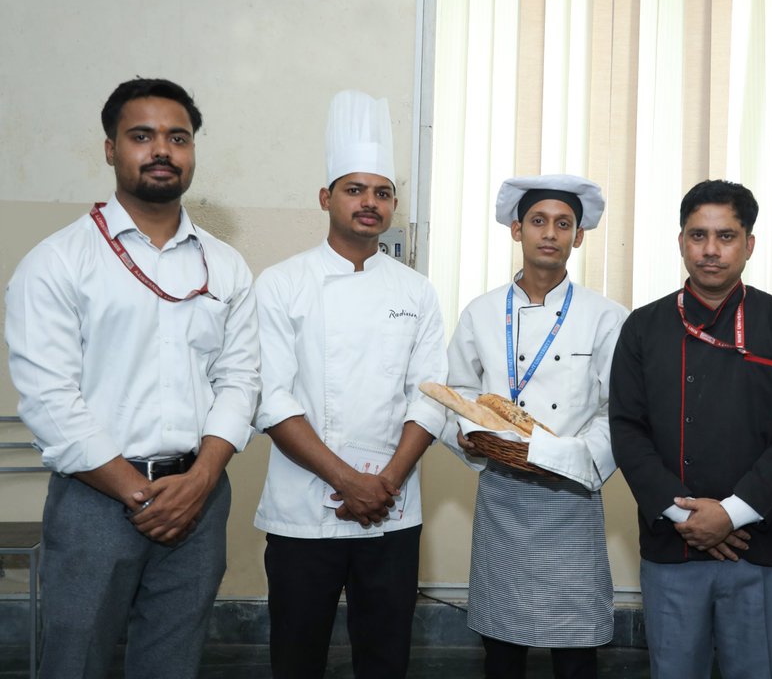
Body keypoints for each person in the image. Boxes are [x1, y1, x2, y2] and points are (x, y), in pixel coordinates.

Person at [5, 78, 259, 678]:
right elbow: (49, 399)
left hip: (199, 496)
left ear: (193, 150)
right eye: (141, 136)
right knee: (76, 660)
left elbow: (240, 378)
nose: (161, 150)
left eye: (178, 137)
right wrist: (136, 491)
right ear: (110, 149)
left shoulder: (224, 263)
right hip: (97, 499)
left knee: (173, 661)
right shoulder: (59, 261)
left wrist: (200, 480)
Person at [251, 90, 449, 678]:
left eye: (382, 192)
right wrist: (346, 480)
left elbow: (431, 394)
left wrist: (383, 482)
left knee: (386, 657)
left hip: (392, 505)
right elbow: (272, 395)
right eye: (355, 189)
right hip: (305, 507)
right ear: (325, 197)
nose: (370, 203)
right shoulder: (281, 283)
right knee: (296, 655)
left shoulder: (416, 291)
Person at [608, 179, 772, 679]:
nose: (710, 250)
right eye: (698, 235)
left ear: (749, 244)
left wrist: (731, 514)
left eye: (726, 236)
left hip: (761, 549)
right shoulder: (642, 327)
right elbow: (627, 429)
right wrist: (687, 519)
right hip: (671, 544)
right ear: (681, 241)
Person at [441, 174, 628, 679]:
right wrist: (467, 435)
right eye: (538, 221)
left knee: (575, 645)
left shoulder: (608, 317)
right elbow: (457, 393)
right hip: (502, 493)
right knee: (502, 648)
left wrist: (576, 460)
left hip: (572, 495)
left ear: (579, 236)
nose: (550, 233)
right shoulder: (481, 312)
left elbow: (621, 410)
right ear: (515, 230)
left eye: (563, 224)